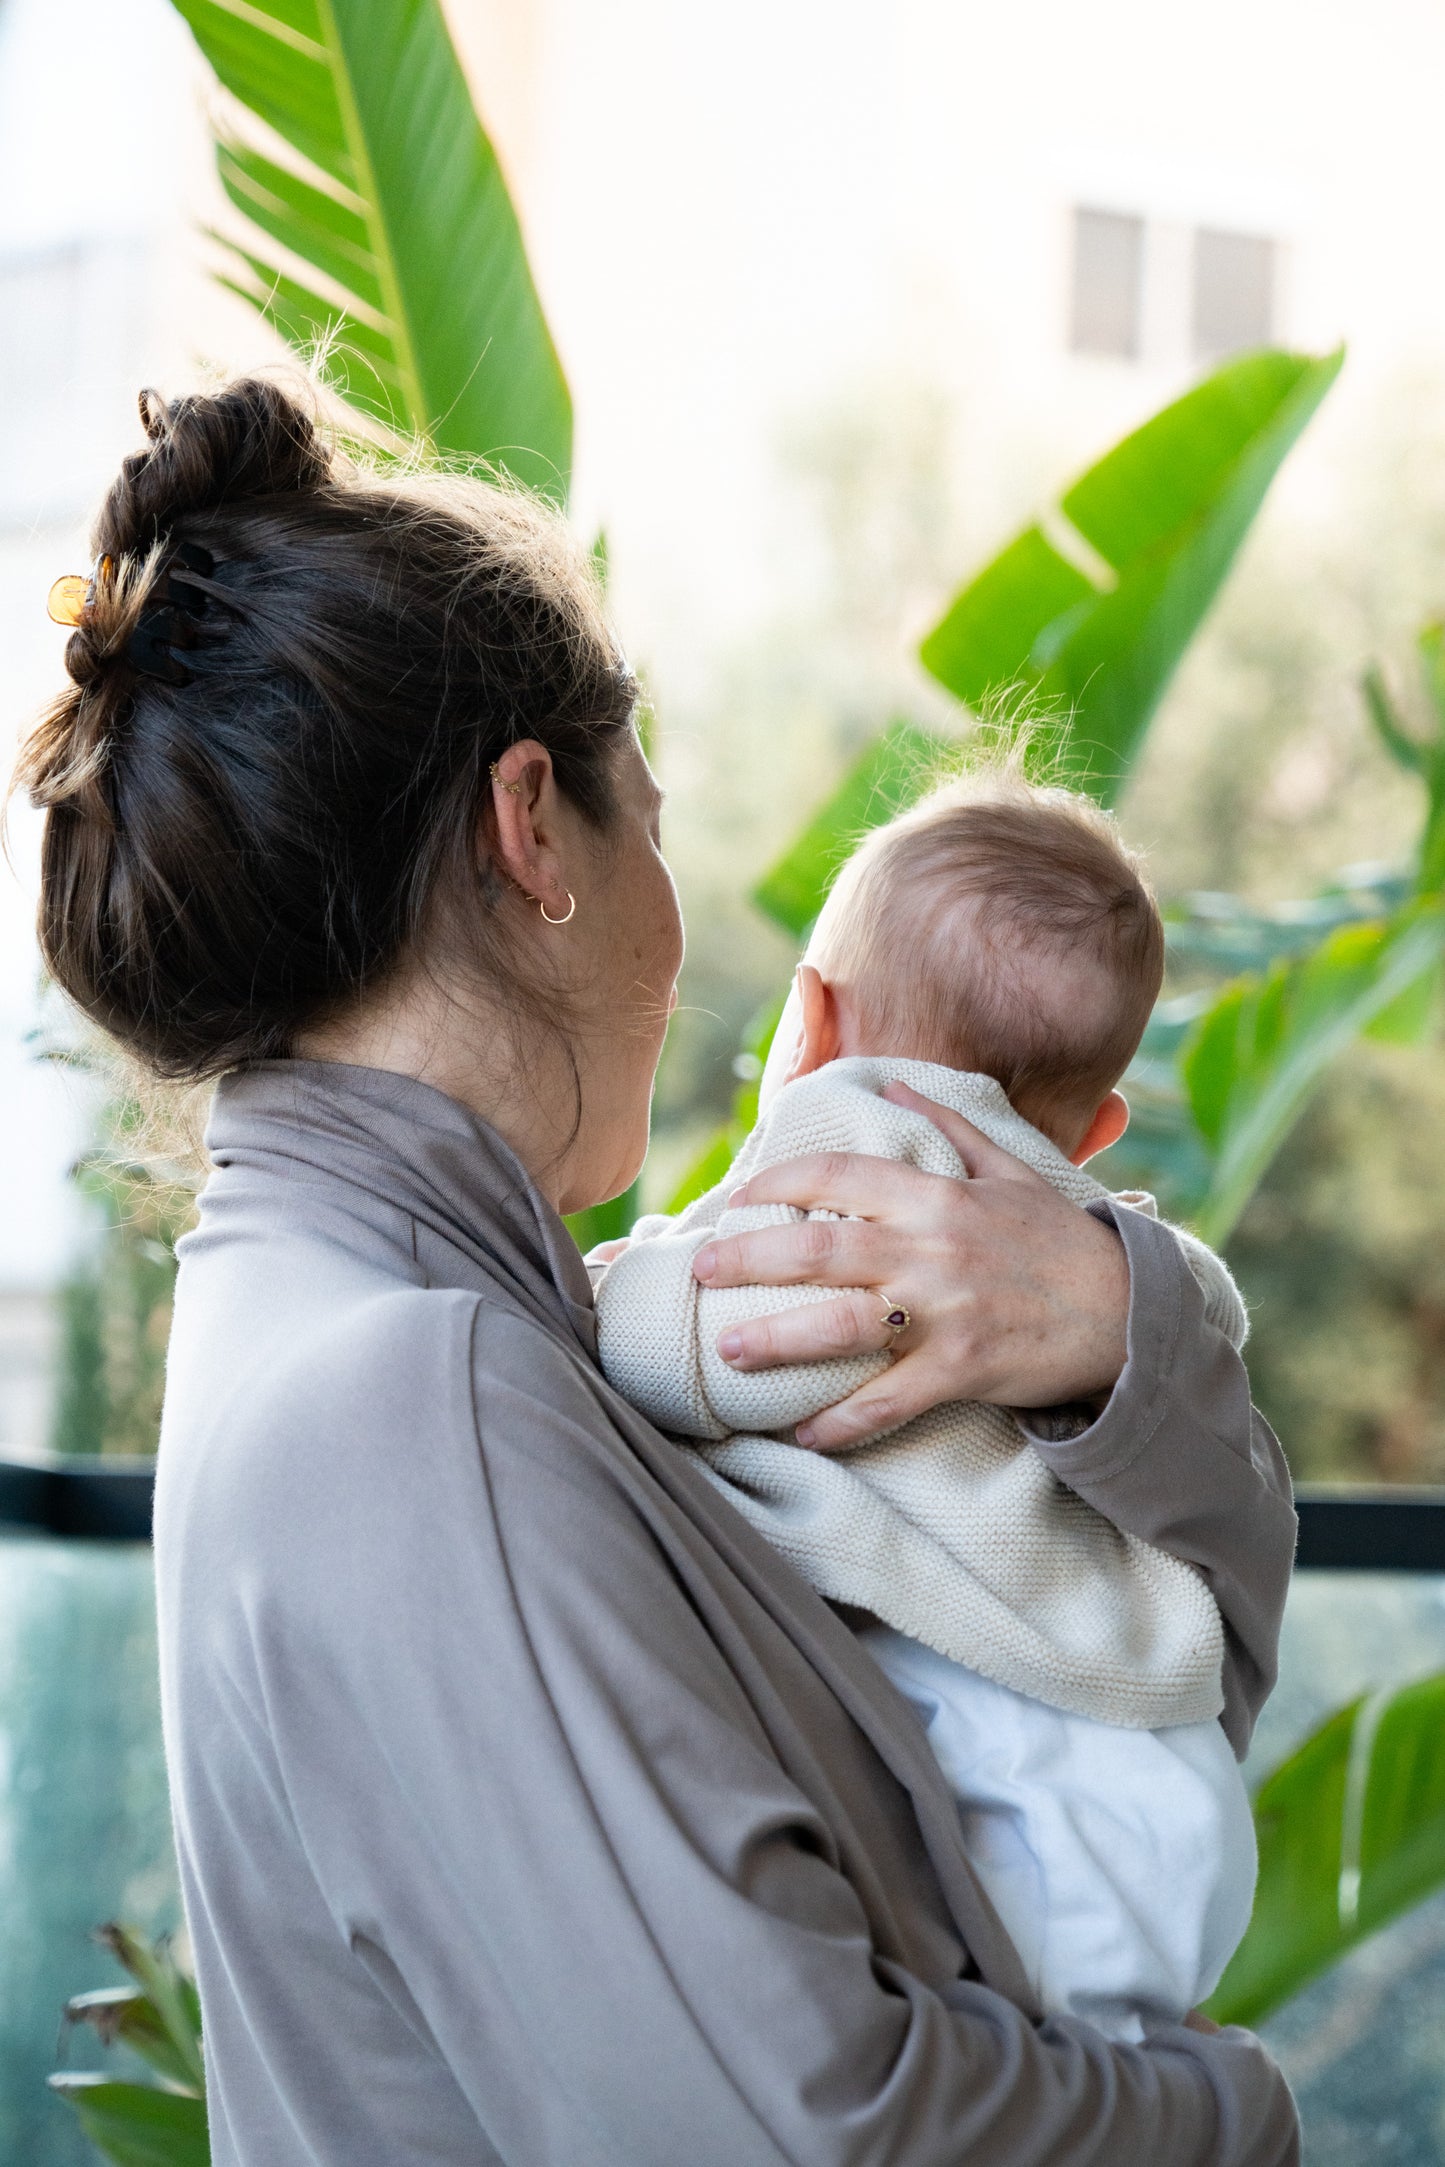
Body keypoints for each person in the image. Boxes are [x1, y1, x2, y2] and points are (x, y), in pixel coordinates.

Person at [16, 375, 1299, 2165]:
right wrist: (1237, 2110)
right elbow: (815, 2127)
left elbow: (1111, 1670)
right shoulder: (435, 1389)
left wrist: (1109, 1341)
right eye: (658, 814)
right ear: (532, 826)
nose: (688, 927)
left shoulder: (363, 1315)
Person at [594, 778, 1261, 2042]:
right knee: (1115, 2052)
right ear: (1100, 1125)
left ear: (810, 1019)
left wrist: (603, 1298)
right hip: (1150, 1756)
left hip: (1016, 1733)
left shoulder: (858, 1143)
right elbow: (1202, 1316)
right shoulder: (1083, 1233)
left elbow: (744, 1338)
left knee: (1012, 2046)